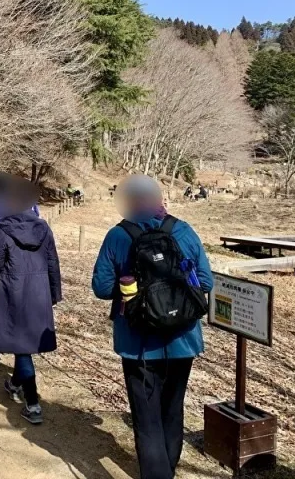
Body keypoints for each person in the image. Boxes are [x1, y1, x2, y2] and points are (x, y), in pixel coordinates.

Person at [91, 175, 213, 479]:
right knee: (172, 410)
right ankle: (166, 471)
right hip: (183, 339)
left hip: (138, 343)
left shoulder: (118, 236)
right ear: (159, 199)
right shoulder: (183, 230)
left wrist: (129, 287)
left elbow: (102, 287)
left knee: (147, 418)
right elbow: (207, 282)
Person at [0, 210, 61, 425]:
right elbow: (52, 262)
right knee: (25, 346)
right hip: (39, 291)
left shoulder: (4, 228)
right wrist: (54, 294)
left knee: (22, 347)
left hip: (14, 290)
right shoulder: (43, 227)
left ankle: (33, 404)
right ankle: (14, 384)